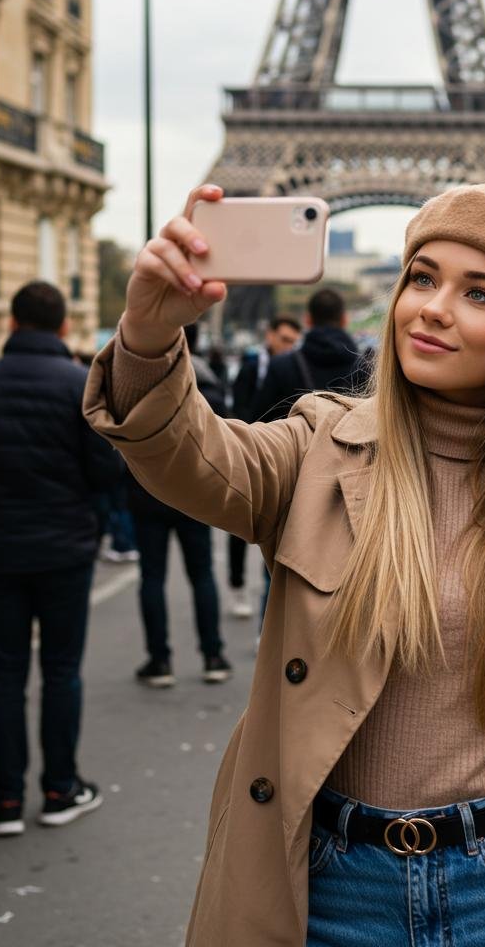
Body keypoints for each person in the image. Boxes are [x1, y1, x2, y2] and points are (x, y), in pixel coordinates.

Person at [83, 181, 485, 947]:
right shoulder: (319, 446)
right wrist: (147, 336)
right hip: (333, 887)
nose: (433, 307)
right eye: (422, 278)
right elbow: (187, 458)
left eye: (479, 294)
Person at [0, 281, 121, 836]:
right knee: (62, 670)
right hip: (64, 547)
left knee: (5, 672)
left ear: (13, 325)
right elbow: (106, 472)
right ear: (65, 326)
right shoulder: (78, 384)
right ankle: (60, 788)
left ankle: (7, 800)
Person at [128, 323, 232, 688]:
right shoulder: (205, 376)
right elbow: (223, 433)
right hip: (193, 490)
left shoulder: (139, 376)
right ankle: (213, 655)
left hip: (146, 490)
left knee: (152, 577)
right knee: (201, 574)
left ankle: (160, 660)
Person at [227, 315, 302, 618]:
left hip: (281, 457)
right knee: (238, 525)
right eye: (284, 340)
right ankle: (237, 585)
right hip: (249, 454)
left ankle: (266, 592)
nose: (289, 347)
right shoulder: (250, 367)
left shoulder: (294, 366)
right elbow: (239, 408)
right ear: (270, 336)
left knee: (275, 528)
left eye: (293, 342)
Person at [252, 288, 361, 422]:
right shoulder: (364, 368)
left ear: (308, 320)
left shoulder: (280, 366)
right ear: (344, 319)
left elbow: (260, 421)